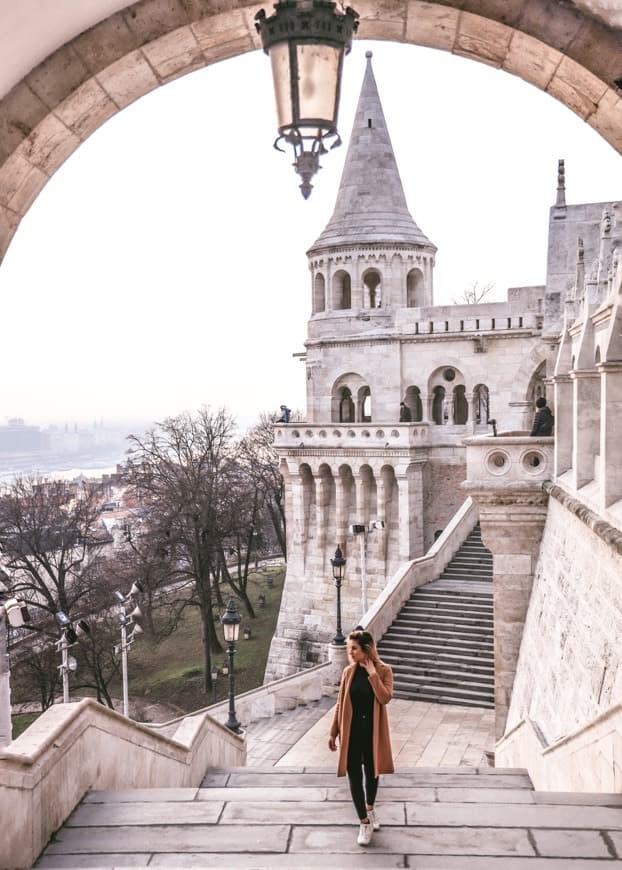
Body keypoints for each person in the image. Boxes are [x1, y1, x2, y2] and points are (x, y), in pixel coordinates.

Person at [328, 627, 394, 847]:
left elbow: (385, 698)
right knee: (354, 777)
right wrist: (333, 732)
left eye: (354, 649)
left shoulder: (384, 671)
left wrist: (373, 675)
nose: (351, 653)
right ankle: (363, 822)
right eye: (349, 649)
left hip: (372, 735)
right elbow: (340, 704)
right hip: (352, 734)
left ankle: (370, 808)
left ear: (366, 649)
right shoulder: (349, 672)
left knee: (372, 775)